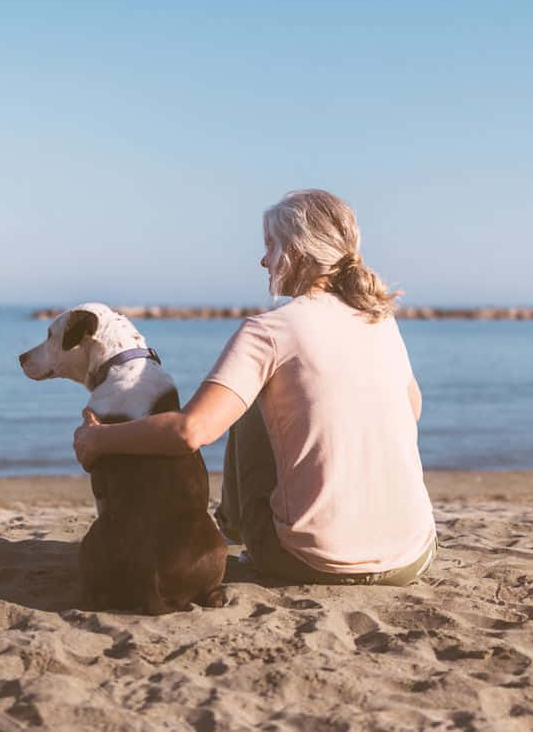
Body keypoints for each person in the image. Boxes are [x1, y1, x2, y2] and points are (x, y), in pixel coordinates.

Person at [71, 189, 436, 586]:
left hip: (309, 560)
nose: (264, 260)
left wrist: (100, 439)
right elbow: (411, 409)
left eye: (270, 246)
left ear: (298, 250)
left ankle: (232, 527)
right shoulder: (380, 321)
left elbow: (191, 432)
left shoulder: (270, 329)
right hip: (414, 554)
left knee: (243, 406)